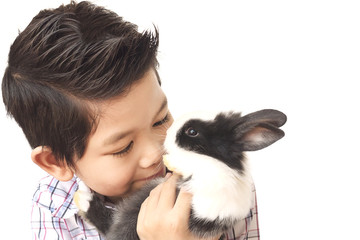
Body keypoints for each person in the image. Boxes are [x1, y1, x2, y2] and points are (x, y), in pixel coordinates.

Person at [2, 1, 259, 239]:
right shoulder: (54, 205)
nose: (156, 153)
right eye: (123, 147)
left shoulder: (221, 182)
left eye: (160, 120)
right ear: (55, 162)